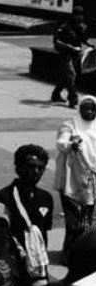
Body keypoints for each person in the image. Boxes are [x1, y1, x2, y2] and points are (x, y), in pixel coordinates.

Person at [0, 144, 52, 282]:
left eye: (41, 167)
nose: (37, 171)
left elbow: (44, 232)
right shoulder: (3, 197)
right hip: (11, 265)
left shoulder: (46, 198)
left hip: (38, 266)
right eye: (31, 166)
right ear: (18, 168)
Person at [55, 95, 96, 252]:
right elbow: (61, 142)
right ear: (79, 108)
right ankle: (71, 253)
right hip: (71, 179)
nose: (89, 112)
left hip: (92, 179)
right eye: (85, 108)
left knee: (89, 218)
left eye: (92, 109)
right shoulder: (70, 125)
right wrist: (70, 144)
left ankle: (86, 251)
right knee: (74, 219)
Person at [51, 6, 89, 107]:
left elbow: (83, 39)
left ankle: (56, 94)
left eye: (81, 15)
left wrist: (90, 44)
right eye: (77, 15)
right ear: (73, 15)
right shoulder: (64, 26)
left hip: (75, 54)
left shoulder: (81, 26)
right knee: (71, 74)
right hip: (64, 53)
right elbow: (56, 41)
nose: (80, 17)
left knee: (66, 76)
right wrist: (70, 47)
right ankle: (73, 98)